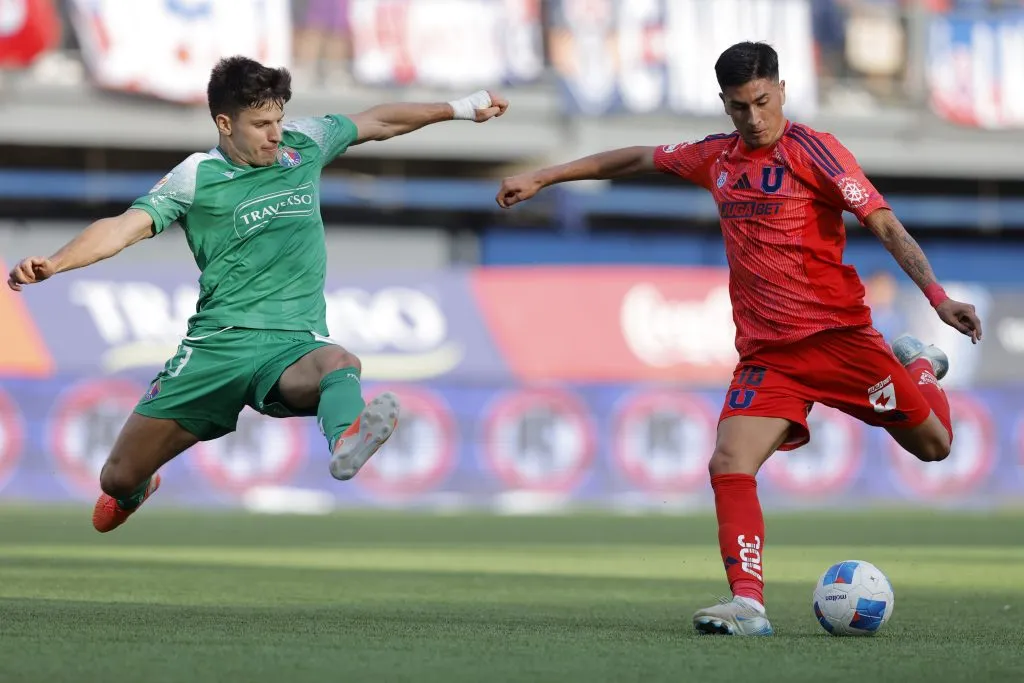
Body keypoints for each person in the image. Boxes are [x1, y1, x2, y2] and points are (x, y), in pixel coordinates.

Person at [496, 41, 981, 636]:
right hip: (769, 356)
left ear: (780, 89)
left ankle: (921, 367)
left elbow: (882, 222)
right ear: (723, 105)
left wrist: (938, 299)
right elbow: (635, 159)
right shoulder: (716, 159)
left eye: (760, 101)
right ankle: (748, 604)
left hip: (839, 340)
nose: (753, 118)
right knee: (729, 461)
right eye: (737, 107)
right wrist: (544, 176)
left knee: (935, 447)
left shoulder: (817, 152)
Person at [7, 56, 508, 533]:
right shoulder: (195, 176)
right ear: (225, 124)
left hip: (291, 342)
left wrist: (460, 108)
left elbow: (377, 120)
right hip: (216, 348)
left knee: (338, 362)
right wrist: (55, 262)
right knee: (116, 477)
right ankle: (137, 489)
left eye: (279, 119)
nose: (275, 134)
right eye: (261, 124)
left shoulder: (304, 143)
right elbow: (122, 228)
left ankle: (347, 439)